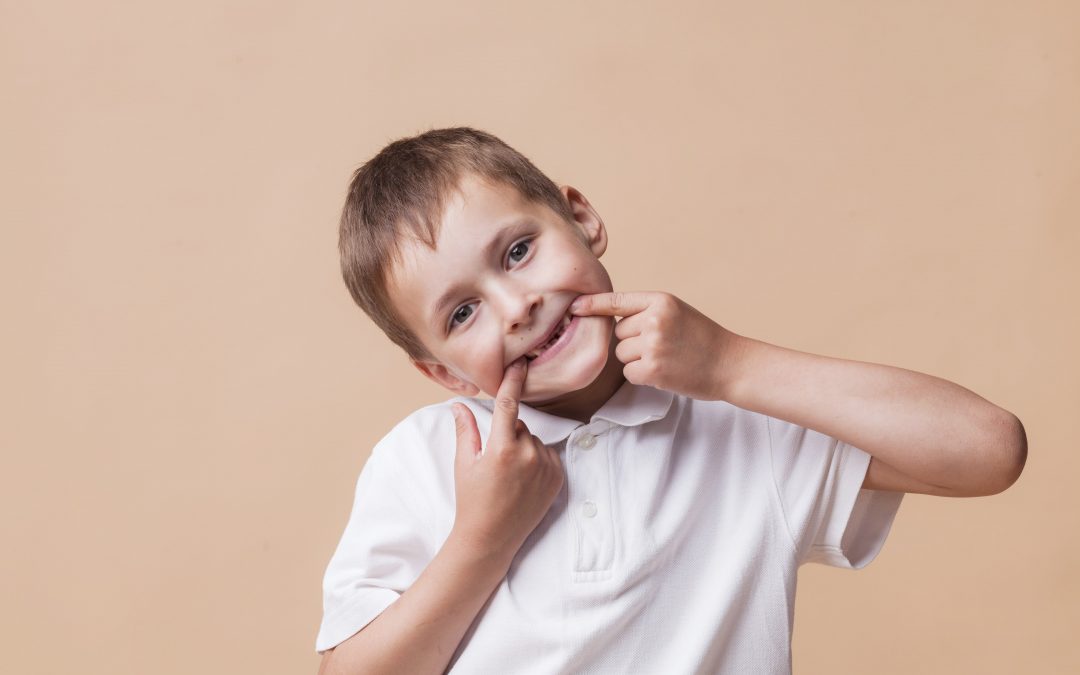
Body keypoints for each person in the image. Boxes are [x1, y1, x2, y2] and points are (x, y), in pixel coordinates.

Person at [316, 127, 1027, 674]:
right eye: (463, 313)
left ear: (581, 218)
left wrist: (729, 365)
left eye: (518, 252)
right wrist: (483, 537)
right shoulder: (426, 459)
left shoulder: (740, 419)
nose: (516, 306)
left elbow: (990, 449)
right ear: (444, 374)